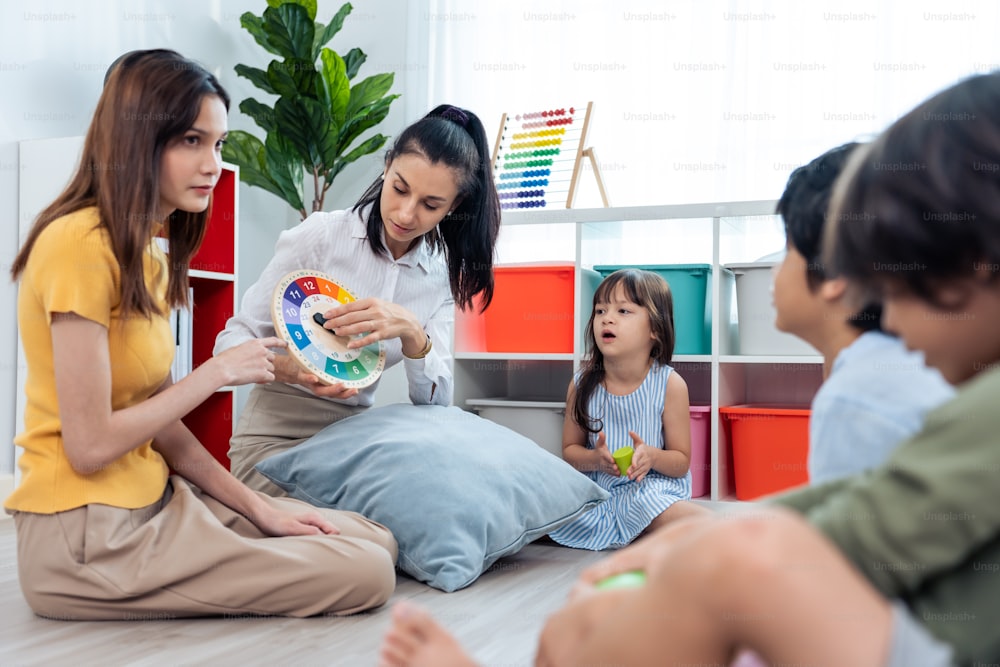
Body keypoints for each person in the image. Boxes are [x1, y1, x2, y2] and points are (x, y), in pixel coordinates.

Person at [378, 71, 1000, 667]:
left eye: (905, 271)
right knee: (692, 564)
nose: (887, 303)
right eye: (600, 309)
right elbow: (870, 511)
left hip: (890, 625)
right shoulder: (586, 382)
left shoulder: (868, 390)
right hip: (620, 501)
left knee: (710, 567)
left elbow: (859, 540)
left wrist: (712, 553)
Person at [5, 49, 397, 620]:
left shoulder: (146, 255)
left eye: (217, 144)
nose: (212, 163)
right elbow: (88, 448)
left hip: (153, 498)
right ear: (138, 141)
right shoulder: (78, 245)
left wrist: (262, 511)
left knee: (373, 539)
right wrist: (216, 373)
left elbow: (165, 426)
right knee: (367, 571)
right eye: (192, 140)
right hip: (88, 536)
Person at [214, 104, 501, 496]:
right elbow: (231, 340)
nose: (405, 212)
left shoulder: (436, 277)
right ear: (387, 166)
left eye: (431, 205)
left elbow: (434, 402)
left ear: (454, 208)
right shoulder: (322, 236)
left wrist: (412, 332)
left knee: (390, 535)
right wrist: (292, 371)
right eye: (399, 188)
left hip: (353, 442)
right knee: (333, 545)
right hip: (275, 434)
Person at [773, 142, 954, 483]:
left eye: (787, 251)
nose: (774, 274)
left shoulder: (854, 399)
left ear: (833, 273)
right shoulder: (912, 366)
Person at [547, 268, 698, 550]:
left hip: (648, 490)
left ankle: (737, 540)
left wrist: (652, 457)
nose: (608, 318)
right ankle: (633, 532)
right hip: (595, 491)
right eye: (600, 310)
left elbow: (680, 463)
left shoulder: (670, 385)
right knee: (540, 509)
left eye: (623, 311)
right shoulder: (581, 383)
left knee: (684, 518)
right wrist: (595, 460)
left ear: (655, 328)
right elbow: (569, 452)